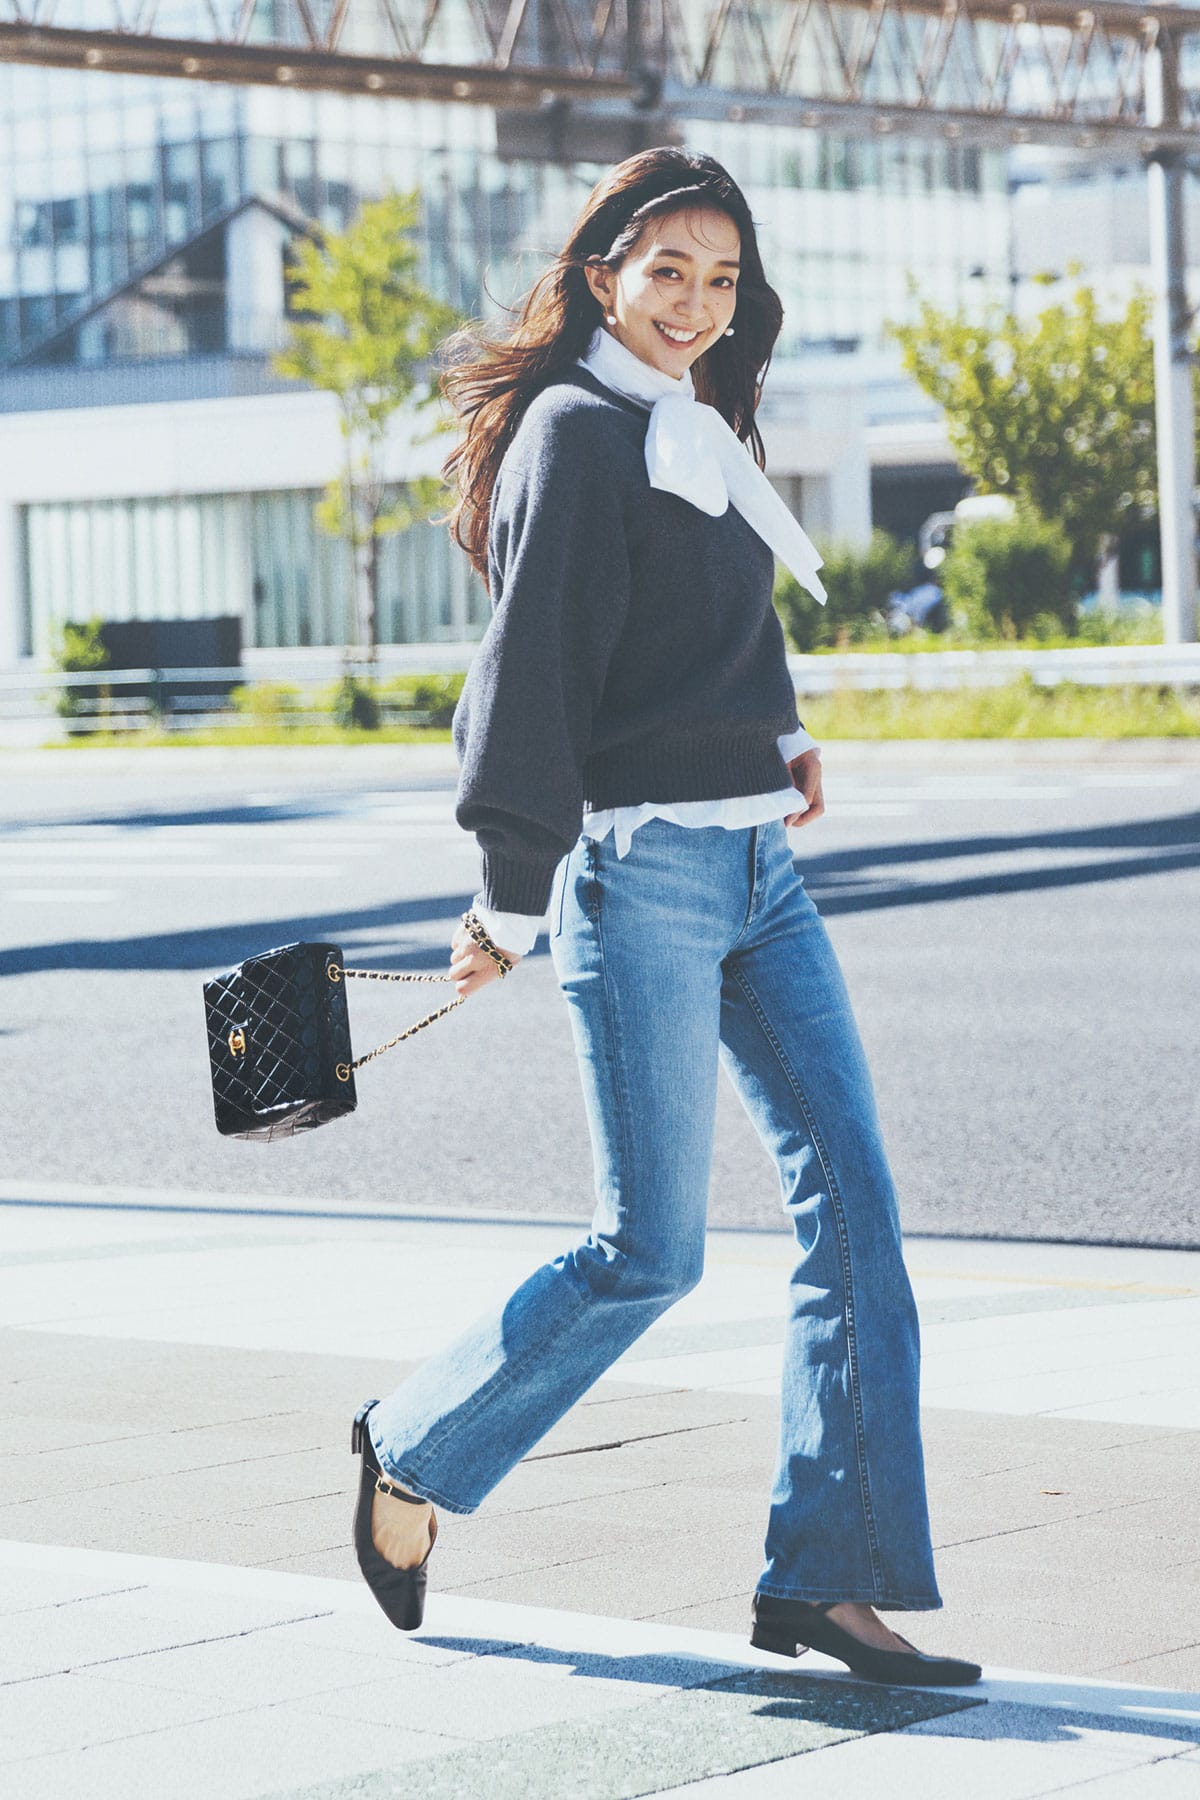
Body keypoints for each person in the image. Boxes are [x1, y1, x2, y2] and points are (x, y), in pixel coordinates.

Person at [350, 146, 981, 1687]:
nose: (696, 303)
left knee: (857, 1209)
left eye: (722, 277)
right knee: (649, 1253)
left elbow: (716, 619)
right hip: (638, 874)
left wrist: (779, 734)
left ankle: (827, 1577)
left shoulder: (699, 419)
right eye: (667, 273)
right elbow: (534, 671)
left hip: (761, 866)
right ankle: (412, 1449)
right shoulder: (577, 430)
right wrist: (507, 892)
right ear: (601, 277)